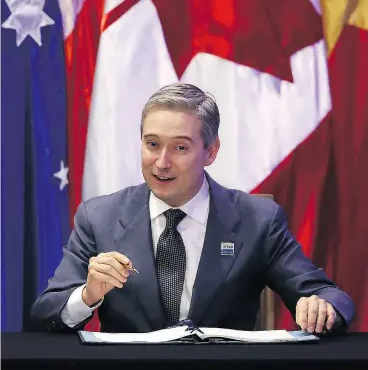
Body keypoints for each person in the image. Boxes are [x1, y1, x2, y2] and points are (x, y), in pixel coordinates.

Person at [30, 83, 355, 334]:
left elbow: (328, 295)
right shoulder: (98, 217)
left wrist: (321, 307)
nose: (161, 163)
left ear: (211, 151)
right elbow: (46, 312)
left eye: (180, 148)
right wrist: (88, 294)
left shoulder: (258, 220)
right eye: (152, 144)